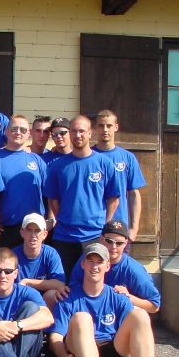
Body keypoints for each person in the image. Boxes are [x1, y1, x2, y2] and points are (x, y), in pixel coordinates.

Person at [48, 243, 172, 357]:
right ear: (82, 264)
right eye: (90, 261)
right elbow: (56, 336)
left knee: (139, 315)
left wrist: (150, 355)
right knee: (82, 318)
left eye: (99, 262)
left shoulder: (117, 296)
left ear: (107, 266)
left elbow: (138, 330)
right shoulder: (67, 297)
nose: (94, 266)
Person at [44, 115, 120, 279]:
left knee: (93, 281)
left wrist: (105, 225)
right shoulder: (57, 166)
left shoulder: (104, 163)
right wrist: (65, 218)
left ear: (90, 133)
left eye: (81, 131)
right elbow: (53, 200)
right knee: (63, 284)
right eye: (74, 131)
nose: (77, 135)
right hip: (64, 236)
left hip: (94, 236)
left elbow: (113, 198)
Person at [65, 220, 160, 313]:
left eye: (119, 243)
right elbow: (73, 288)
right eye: (109, 241)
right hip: (89, 309)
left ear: (125, 243)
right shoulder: (88, 258)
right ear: (101, 239)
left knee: (139, 314)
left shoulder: (134, 270)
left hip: (121, 313)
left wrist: (128, 297)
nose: (113, 247)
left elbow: (154, 306)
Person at [0, 115, 47, 249]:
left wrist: (50, 218)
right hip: (6, 228)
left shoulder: (37, 160)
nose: (18, 133)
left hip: (34, 229)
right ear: (6, 131)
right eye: (14, 129)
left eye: (23, 130)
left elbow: (49, 193)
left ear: (28, 133)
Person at [93, 110, 146, 241]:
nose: (105, 129)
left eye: (109, 125)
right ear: (95, 128)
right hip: (93, 227)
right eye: (101, 125)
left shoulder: (127, 158)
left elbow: (134, 194)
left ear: (116, 127)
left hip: (119, 227)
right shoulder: (88, 156)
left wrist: (134, 228)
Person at [13, 213, 66, 309]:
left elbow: (60, 284)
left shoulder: (51, 253)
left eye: (37, 231)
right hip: (19, 301)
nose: (33, 235)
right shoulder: (13, 255)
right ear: (22, 232)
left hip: (43, 303)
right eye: (29, 230)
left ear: (45, 234)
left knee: (53, 294)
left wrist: (27, 282)